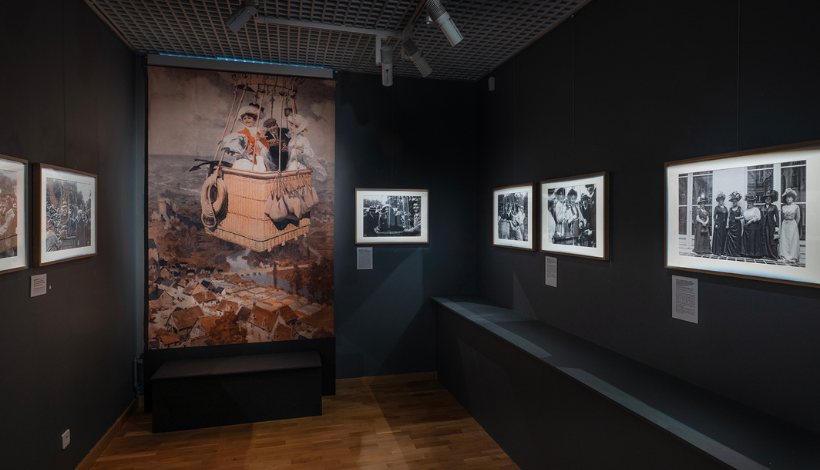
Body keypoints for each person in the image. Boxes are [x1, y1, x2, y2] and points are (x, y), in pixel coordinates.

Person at [285, 114, 327, 182]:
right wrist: (287, 149)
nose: (290, 127)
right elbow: (291, 154)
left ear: (298, 126)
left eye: (292, 125)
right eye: (290, 125)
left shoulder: (304, 139)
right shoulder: (292, 139)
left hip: (300, 167)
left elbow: (310, 153)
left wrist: (302, 149)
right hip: (291, 165)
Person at [779, 188, 801, 263]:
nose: (788, 199)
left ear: (793, 198)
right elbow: (782, 217)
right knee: (784, 239)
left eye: (790, 197)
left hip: (792, 224)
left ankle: (793, 256)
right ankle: (784, 255)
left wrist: (794, 225)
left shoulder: (796, 207)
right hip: (785, 223)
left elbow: (798, 217)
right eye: (787, 197)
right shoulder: (783, 207)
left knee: (793, 240)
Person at [741, 193, 763, 258]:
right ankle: (746, 253)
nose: (749, 204)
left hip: (753, 226)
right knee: (746, 239)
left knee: (753, 239)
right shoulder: (746, 210)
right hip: (747, 226)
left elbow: (758, 217)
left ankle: (753, 253)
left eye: (750, 203)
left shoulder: (756, 209)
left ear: (753, 203)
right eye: (748, 203)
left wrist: (751, 221)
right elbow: (744, 217)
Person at [760, 189, 779, 259]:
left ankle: (772, 254)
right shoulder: (761, 207)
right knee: (764, 238)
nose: (767, 200)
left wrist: (777, 226)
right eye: (766, 198)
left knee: (771, 239)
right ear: (764, 200)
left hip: (771, 226)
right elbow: (759, 217)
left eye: (769, 198)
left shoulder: (774, 207)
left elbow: (777, 217)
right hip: (763, 225)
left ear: (771, 200)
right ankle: (765, 254)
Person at [724, 191, 743, 256]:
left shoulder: (740, 208)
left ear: (737, 202)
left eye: (735, 201)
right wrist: (727, 224)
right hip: (731, 225)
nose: (734, 202)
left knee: (737, 238)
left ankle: (736, 252)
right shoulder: (730, 209)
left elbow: (743, 216)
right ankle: (730, 252)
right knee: (730, 238)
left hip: (737, 226)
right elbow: (728, 217)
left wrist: (738, 218)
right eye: (733, 201)